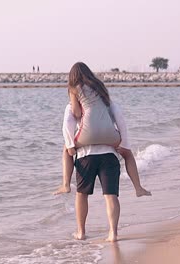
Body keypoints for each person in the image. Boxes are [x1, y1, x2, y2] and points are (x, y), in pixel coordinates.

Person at [59, 62, 144, 242]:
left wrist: (70, 145)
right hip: (109, 153)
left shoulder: (74, 90)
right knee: (110, 195)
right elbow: (120, 118)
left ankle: (80, 231)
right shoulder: (105, 97)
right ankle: (113, 233)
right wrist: (123, 143)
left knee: (81, 193)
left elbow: (68, 122)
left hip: (85, 155)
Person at [54, 103, 151, 197]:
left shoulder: (76, 104)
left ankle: (66, 184)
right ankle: (138, 188)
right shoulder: (109, 103)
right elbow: (121, 121)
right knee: (127, 154)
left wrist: (70, 145)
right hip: (110, 139)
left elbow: (67, 124)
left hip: (85, 140)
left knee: (66, 149)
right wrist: (124, 143)